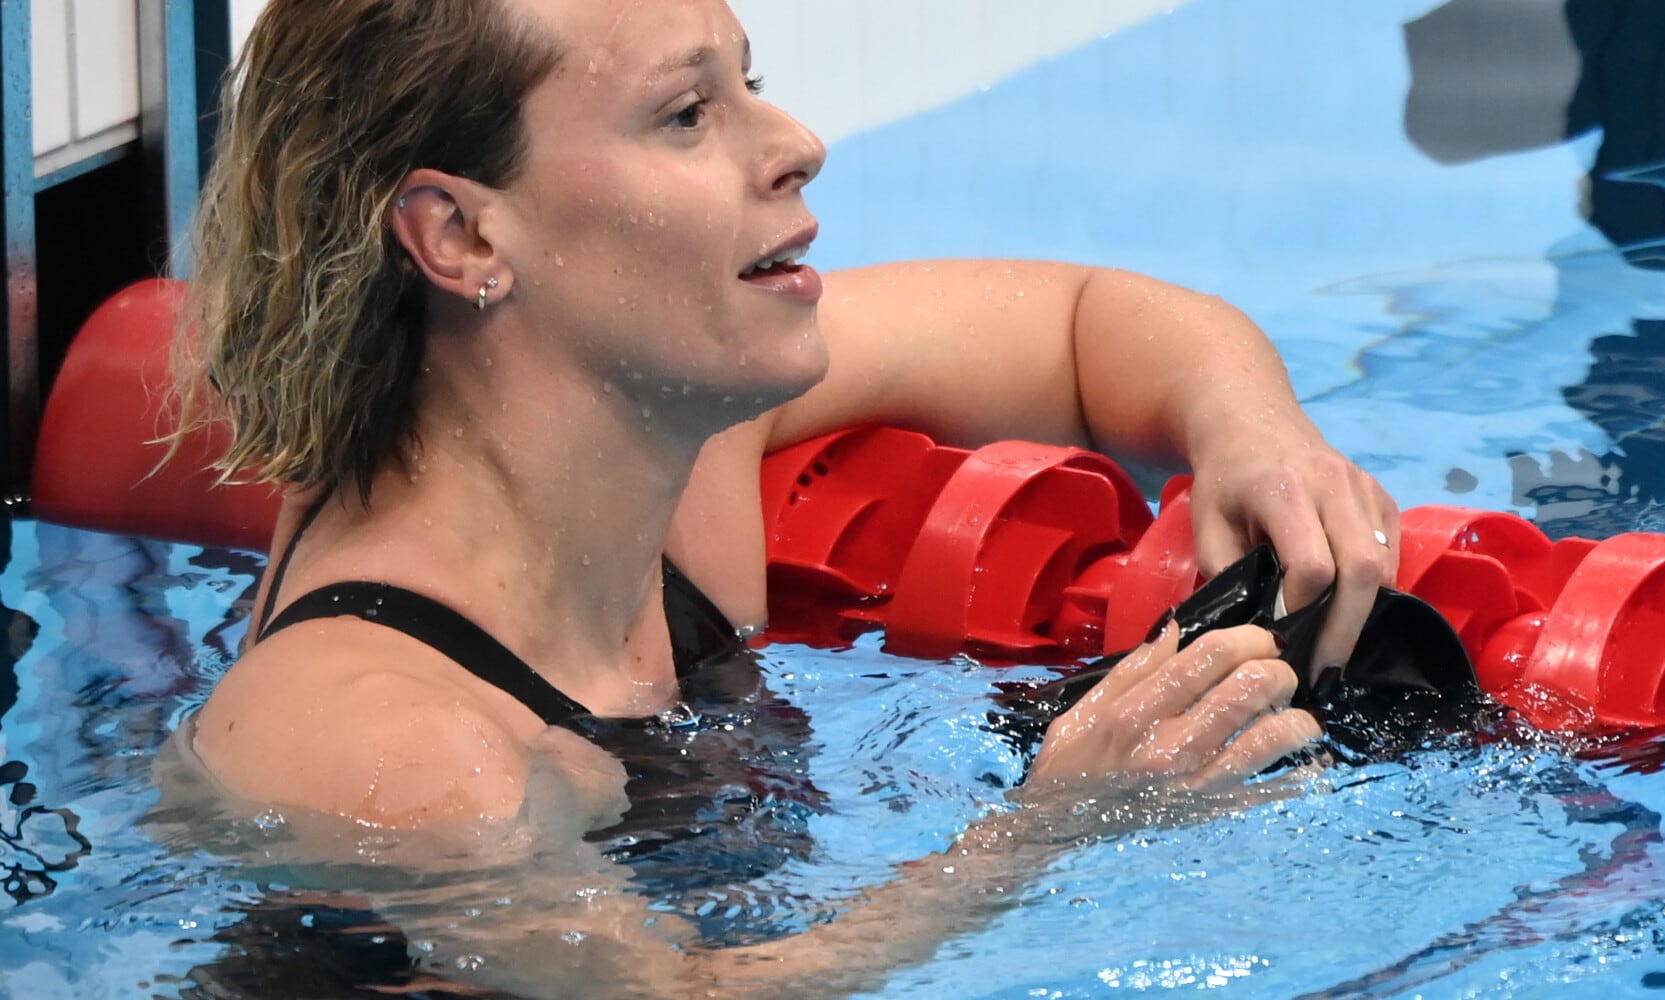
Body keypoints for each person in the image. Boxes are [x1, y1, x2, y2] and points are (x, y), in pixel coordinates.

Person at [161, 0, 1399, 995]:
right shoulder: (411, 752)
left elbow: (1085, 323)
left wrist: (1255, 433)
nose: (795, 139)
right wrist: (1043, 833)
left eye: (751, 79)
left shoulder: (679, 420)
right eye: (689, 112)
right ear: (462, 238)